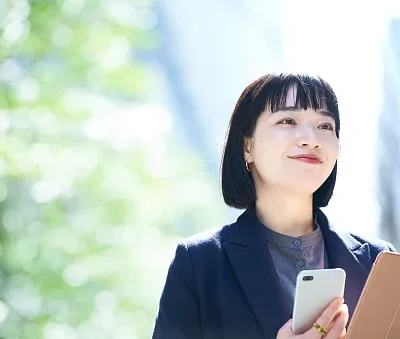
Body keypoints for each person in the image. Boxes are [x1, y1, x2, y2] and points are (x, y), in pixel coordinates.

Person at [152, 73, 396, 339]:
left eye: (325, 126)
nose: (311, 139)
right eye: (288, 121)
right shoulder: (199, 261)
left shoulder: (378, 261)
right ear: (247, 147)